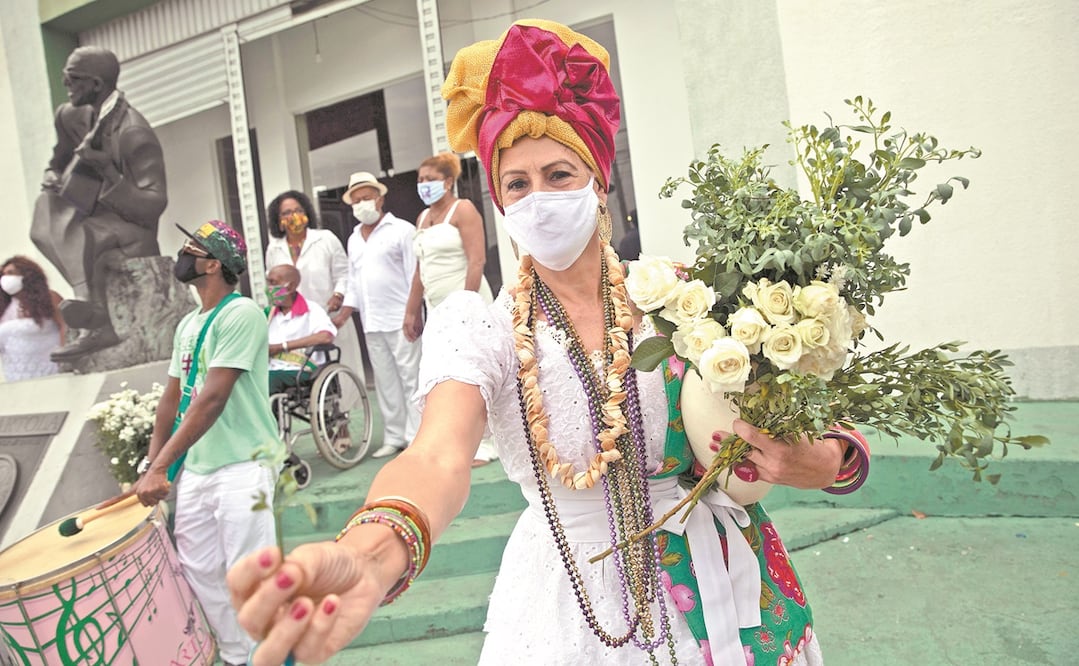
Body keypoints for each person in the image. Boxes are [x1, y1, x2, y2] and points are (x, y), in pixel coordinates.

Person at [228, 20, 866, 666]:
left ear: (598, 181)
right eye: (516, 183)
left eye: (559, 174)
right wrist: (373, 549)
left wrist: (828, 457)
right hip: (569, 604)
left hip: (725, 575)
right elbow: (437, 457)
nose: (539, 198)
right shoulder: (483, 328)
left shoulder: (683, 295)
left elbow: (804, 416)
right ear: (499, 203)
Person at [133, 220, 283, 666]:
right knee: (199, 573)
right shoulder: (188, 323)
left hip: (245, 465)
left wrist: (162, 466)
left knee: (249, 575)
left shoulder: (242, 314)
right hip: (199, 468)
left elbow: (213, 396)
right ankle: (239, 656)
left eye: (190, 249)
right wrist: (151, 462)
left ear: (213, 264)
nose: (182, 255)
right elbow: (173, 397)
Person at [31, 46, 167, 360]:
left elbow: (153, 205)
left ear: (95, 84)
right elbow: (58, 158)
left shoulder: (134, 132)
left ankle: (98, 322)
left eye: (72, 79)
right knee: (44, 212)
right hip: (87, 209)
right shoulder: (69, 115)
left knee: (82, 232)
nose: (66, 84)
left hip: (131, 226)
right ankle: (89, 303)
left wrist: (107, 169)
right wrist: (52, 174)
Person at [404, 151, 498, 466]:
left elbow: (477, 260)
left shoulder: (463, 209)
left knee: (474, 371)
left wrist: (465, 306)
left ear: (447, 182)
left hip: (465, 303)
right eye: (419, 180)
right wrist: (412, 309)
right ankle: (455, 439)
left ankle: (487, 443)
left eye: (429, 180)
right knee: (442, 374)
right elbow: (421, 269)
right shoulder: (422, 218)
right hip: (436, 308)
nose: (423, 185)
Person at [338, 171, 421, 459]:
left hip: (401, 318)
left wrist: (413, 312)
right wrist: (344, 313)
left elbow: (415, 275)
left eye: (367, 198)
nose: (362, 204)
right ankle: (394, 436)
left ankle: (415, 436)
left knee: (411, 377)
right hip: (371, 321)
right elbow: (352, 280)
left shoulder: (402, 230)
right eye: (356, 200)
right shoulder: (353, 239)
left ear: (380, 198)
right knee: (385, 381)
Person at [263, 191, 364, 382]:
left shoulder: (325, 239)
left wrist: (338, 294)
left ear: (307, 212)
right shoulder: (273, 248)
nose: (293, 216)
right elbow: (274, 283)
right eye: (286, 213)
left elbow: (344, 275)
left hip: (327, 317)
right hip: (293, 324)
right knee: (298, 376)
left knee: (338, 377)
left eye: (298, 210)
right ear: (278, 220)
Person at [265, 264, 337, 394]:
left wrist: (283, 347)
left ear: (291, 286)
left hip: (303, 370)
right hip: (271, 368)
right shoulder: (267, 314)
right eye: (268, 283)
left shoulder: (311, 310)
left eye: (273, 283)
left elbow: (326, 336)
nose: (269, 289)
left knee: (269, 380)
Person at [0, 256, 65, 381]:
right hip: (16, 376)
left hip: (51, 371)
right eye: (3, 275)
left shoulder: (49, 298)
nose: (5, 278)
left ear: (27, 275)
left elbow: (66, 326)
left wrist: (64, 358)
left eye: (10, 273)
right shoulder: (4, 308)